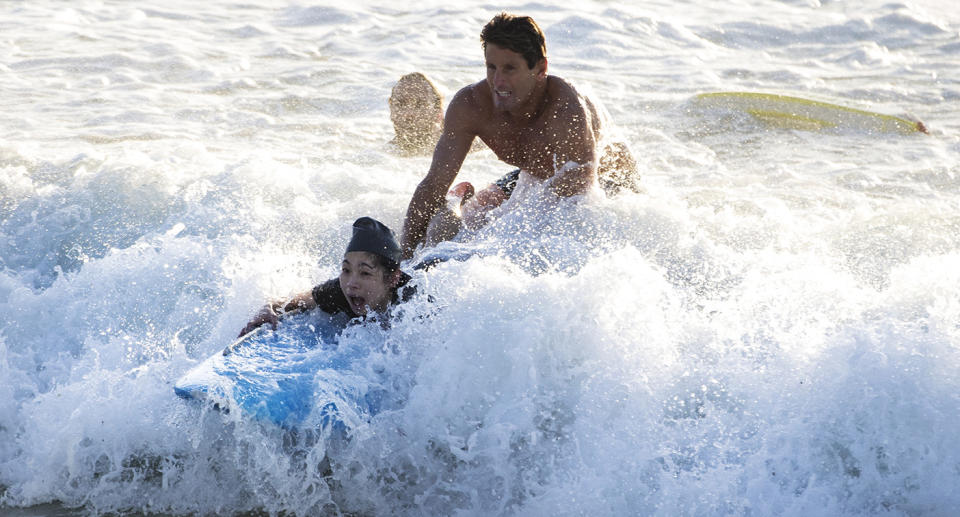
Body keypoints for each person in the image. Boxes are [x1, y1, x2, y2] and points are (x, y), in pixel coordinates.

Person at [400, 12, 638, 259]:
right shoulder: (471, 105)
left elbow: (578, 203)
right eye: (491, 68)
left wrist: (505, 237)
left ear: (540, 69)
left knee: (506, 242)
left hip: (606, 186)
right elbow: (433, 184)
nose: (498, 82)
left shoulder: (565, 110)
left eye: (510, 69)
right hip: (532, 178)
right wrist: (402, 263)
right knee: (459, 231)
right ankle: (461, 198)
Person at [238, 217, 412, 337]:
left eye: (365, 273)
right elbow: (289, 302)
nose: (351, 283)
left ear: (393, 279)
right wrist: (268, 308)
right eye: (346, 269)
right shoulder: (338, 291)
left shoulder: (415, 301)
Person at [389, 72, 444, 155]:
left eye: (419, 104)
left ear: (438, 111)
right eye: (400, 104)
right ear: (391, 108)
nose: (408, 114)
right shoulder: (386, 154)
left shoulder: (458, 151)